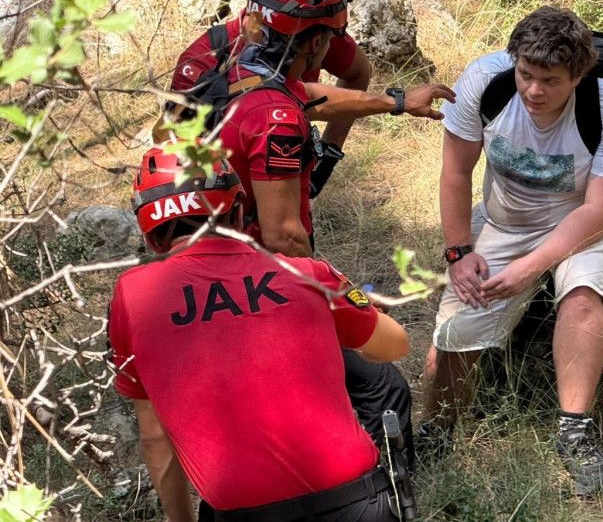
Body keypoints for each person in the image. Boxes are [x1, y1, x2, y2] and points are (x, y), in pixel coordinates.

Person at [206, 0, 452, 457]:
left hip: (221, 275)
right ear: (314, 41)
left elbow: (312, 96)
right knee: (383, 389)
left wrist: (397, 102)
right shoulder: (276, 120)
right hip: (263, 286)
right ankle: (384, 492)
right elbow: (283, 236)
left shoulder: (242, 73)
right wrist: (345, 294)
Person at [109, 146, 411, 521]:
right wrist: (349, 305)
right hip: (355, 501)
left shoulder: (132, 297)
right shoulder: (308, 274)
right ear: (238, 212)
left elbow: (155, 436)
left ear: (152, 237)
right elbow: (395, 345)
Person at [423, 6, 603, 496]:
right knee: (455, 334)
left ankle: (574, 432)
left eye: (550, 80)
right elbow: (455, 172)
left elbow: (600, 210)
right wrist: (459, 252)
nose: (534, 91)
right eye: (526, 74)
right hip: (508, 217)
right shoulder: (486, 82)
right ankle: (437, 430)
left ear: (578, 76)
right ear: (514, 62)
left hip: (587, 212)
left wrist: (532, 267)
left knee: (581, 294)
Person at [171, 0, 373, 195]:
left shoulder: (316, 38)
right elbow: (175, 149)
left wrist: (328, 155)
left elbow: (358, 73)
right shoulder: (205, 57)